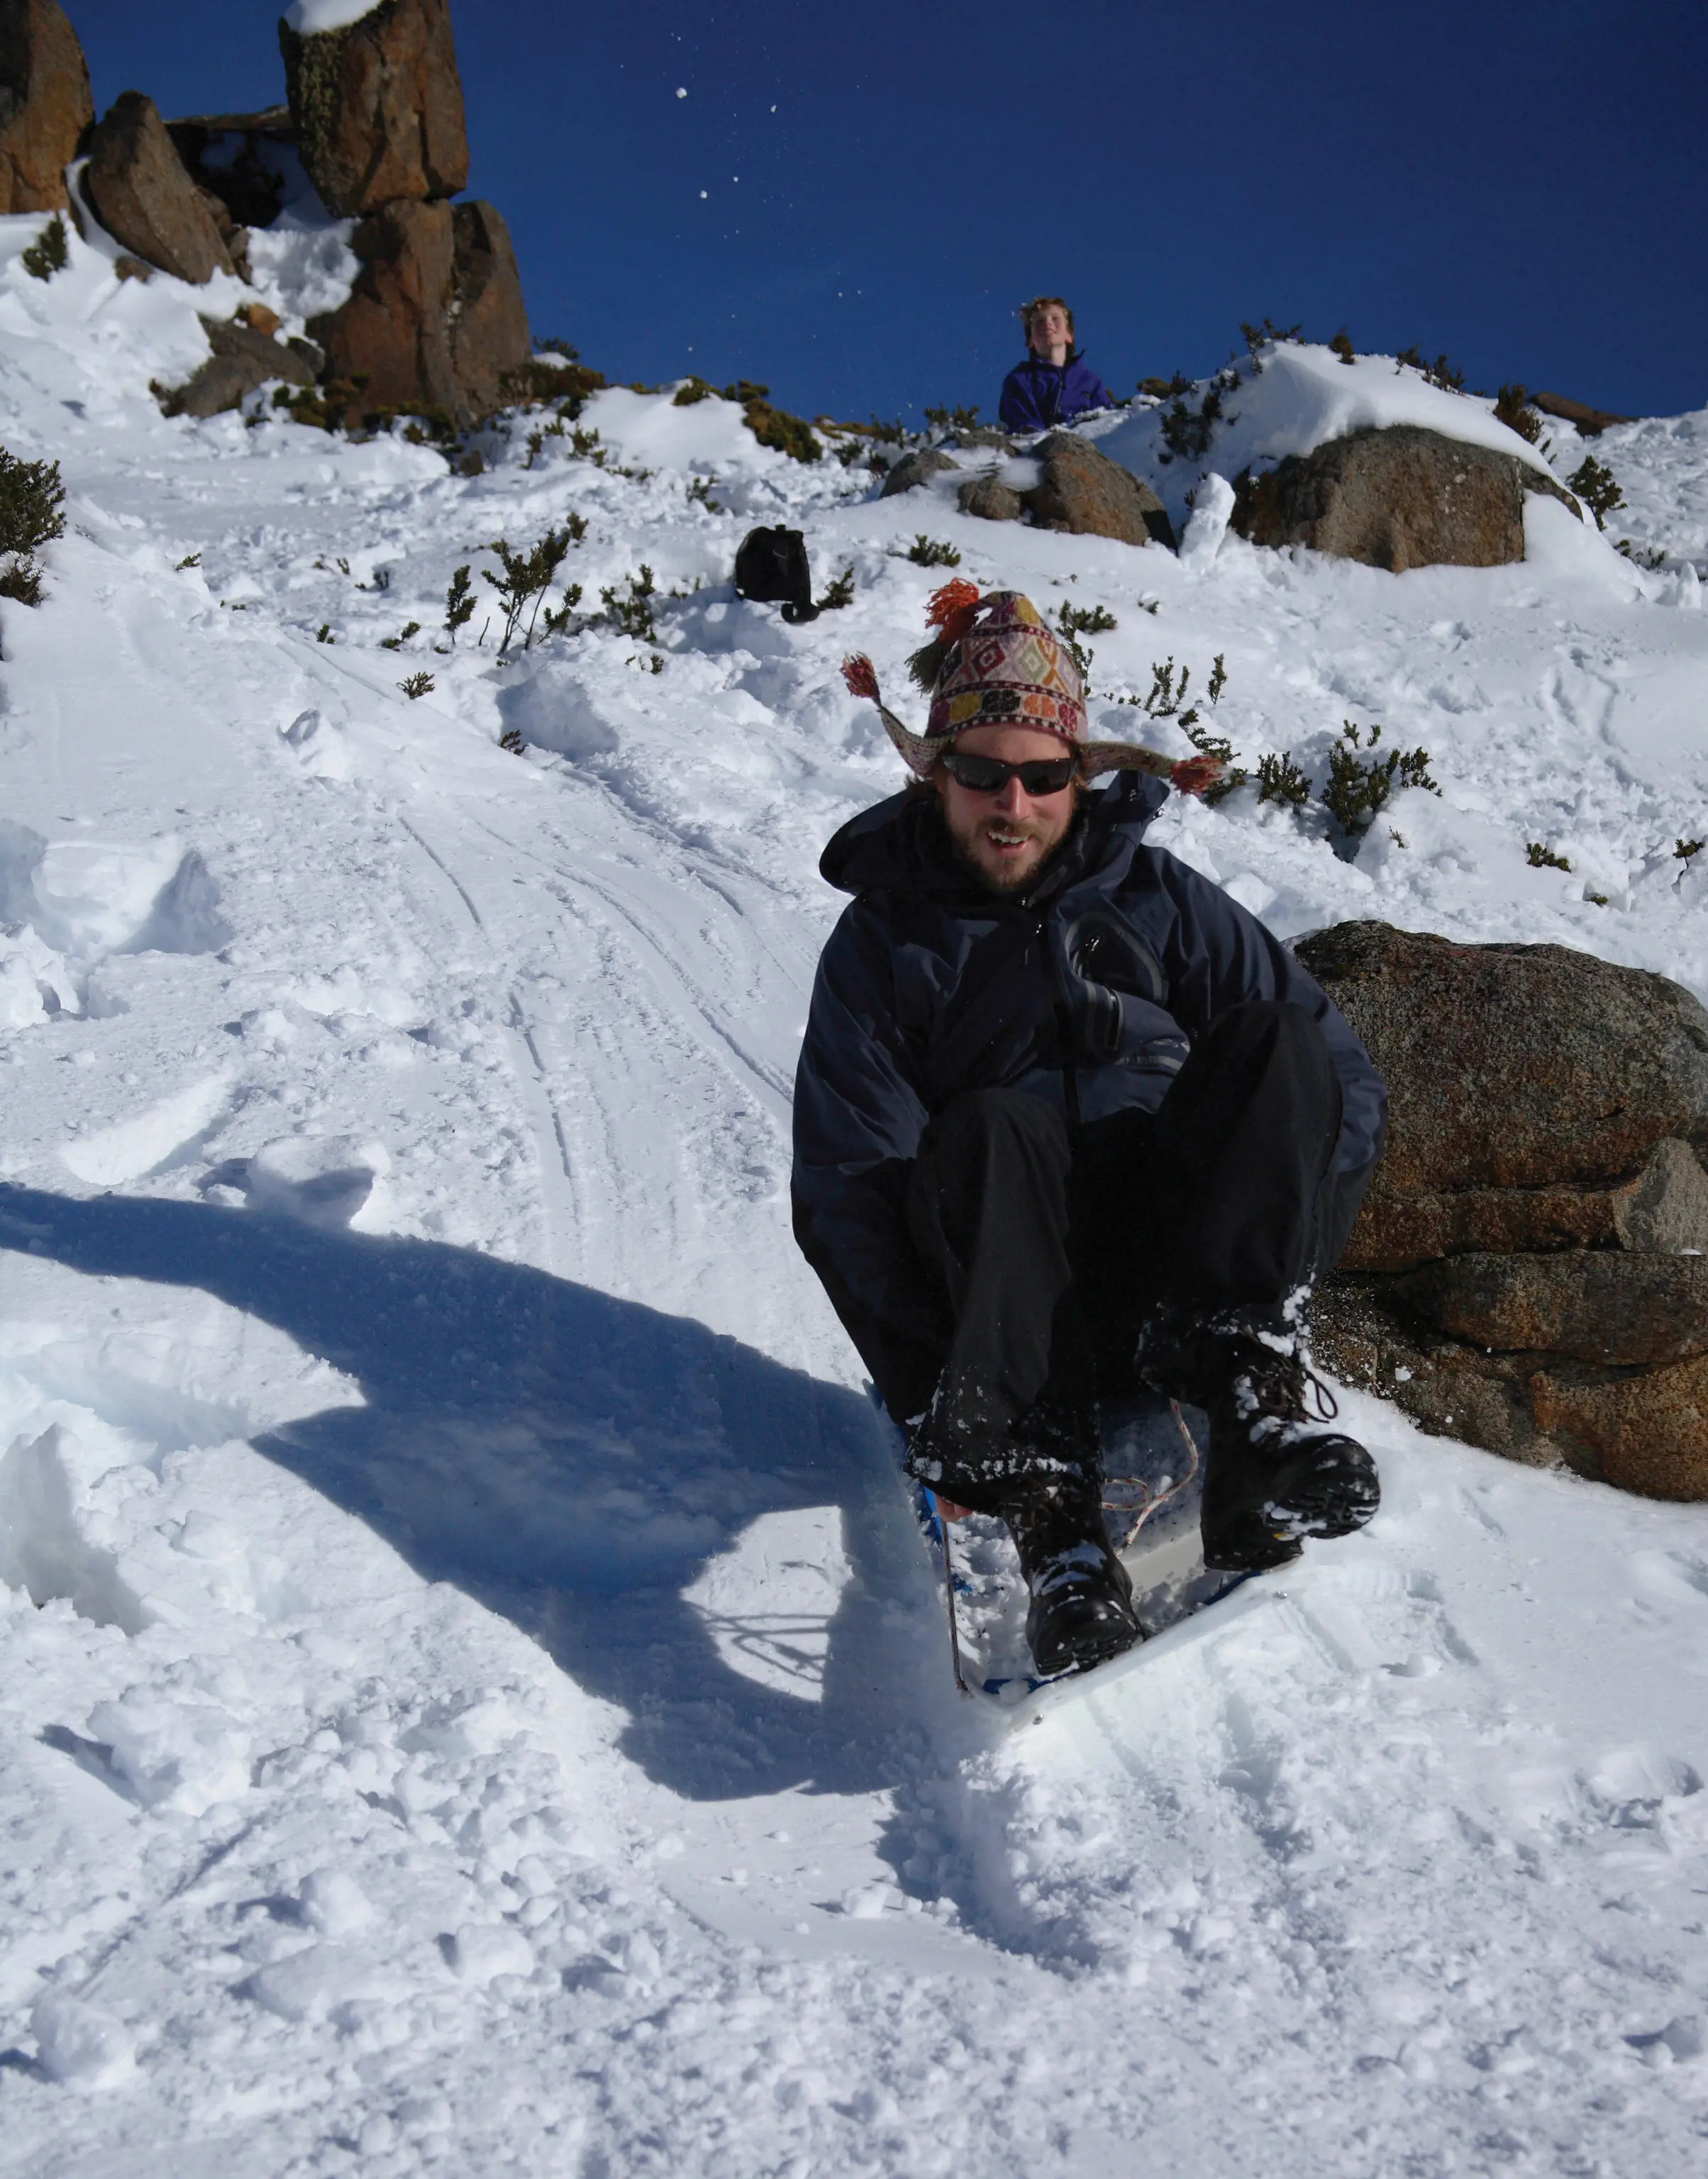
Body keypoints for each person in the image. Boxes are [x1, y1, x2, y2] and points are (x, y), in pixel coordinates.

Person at [792, 583, 1387, 1678]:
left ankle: (1247, 1404)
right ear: (935, 774)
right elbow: (847, 1180)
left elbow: (1340, 1085)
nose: (1010, 800)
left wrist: (1277, 1265)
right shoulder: (886, 945)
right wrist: (933, 1386)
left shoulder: (1158, 896)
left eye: (1042, 774)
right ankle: (1055, 1528)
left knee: (1274, 1045)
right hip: (1004, 1305)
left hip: (1173, 1288)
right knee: (993, 1127)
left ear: (1081, 776)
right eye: (979, 771)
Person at [998, 296, 1116, 434]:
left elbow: (1107, 423)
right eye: (1039, 321)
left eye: (1055, 318)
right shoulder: (1019, 379)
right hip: (1035, 452)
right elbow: (1022, 425)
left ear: (1069, 335)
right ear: (1031, 341)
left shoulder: (1090, 382)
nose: (1047, 323)